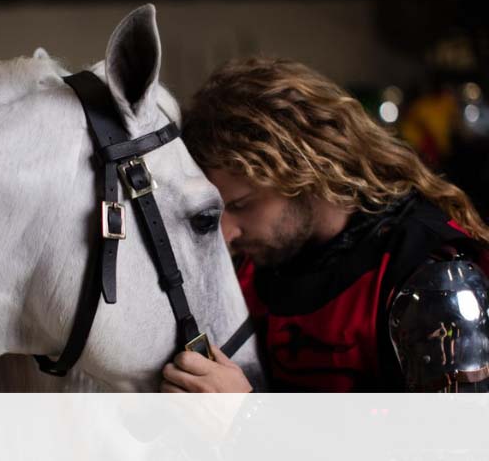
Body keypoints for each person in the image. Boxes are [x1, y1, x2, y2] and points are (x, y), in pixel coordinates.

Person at [160, 57, 489, 392]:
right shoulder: (250, 269)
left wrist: (246, 416)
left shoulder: (432, 274)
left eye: (242, 205)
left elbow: (460, 439)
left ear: (306, 169)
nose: (227, 235)